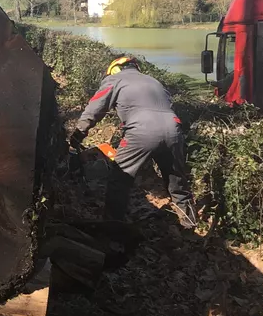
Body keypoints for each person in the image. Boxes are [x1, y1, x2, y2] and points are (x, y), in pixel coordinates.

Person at [69, 56, 198, 228]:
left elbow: (94, 109)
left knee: (119, 178)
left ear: (114, 70)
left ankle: (113, 225)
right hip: (173, 130)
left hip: (141, 132)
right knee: (176, 180)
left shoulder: (114, 80)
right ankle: (189, 224)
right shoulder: (154, 81)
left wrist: (77, 136)